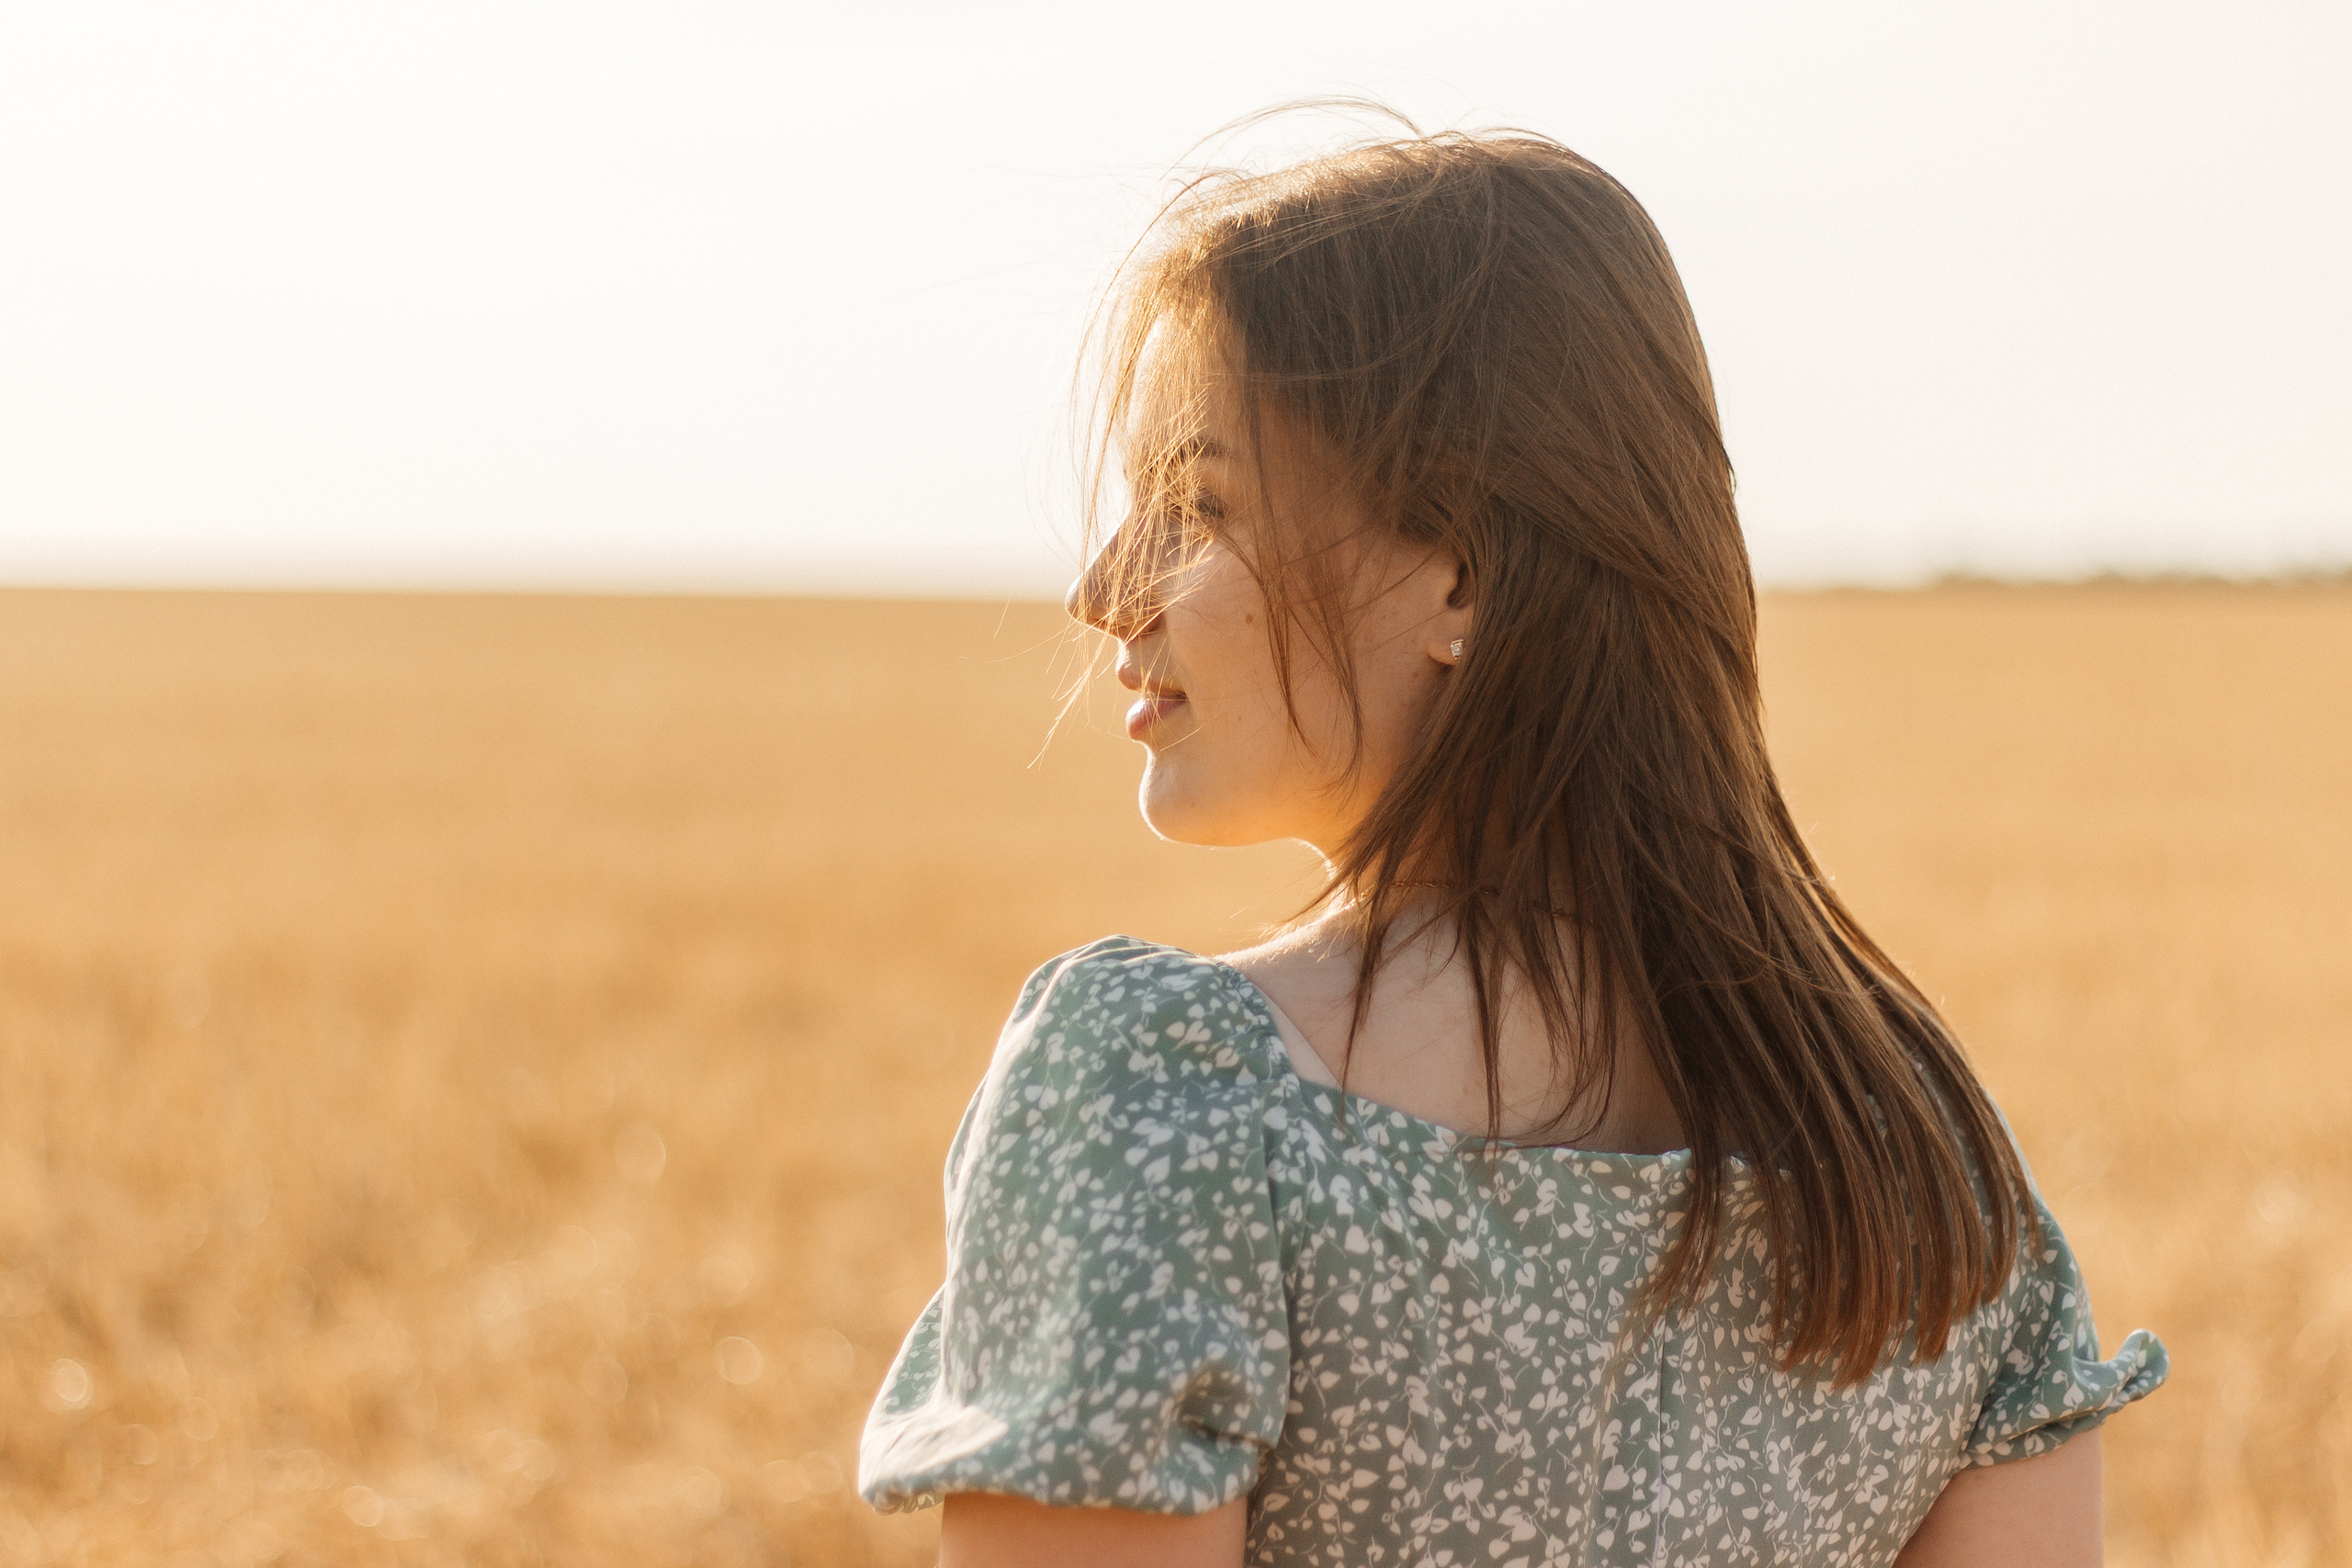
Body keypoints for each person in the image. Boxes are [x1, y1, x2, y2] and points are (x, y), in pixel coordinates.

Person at [857, 121, 2166, 1568]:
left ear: (1462, 574)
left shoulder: (1170, 1102)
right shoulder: (1926, 1175)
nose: (1104, 587)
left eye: (1200, 506)